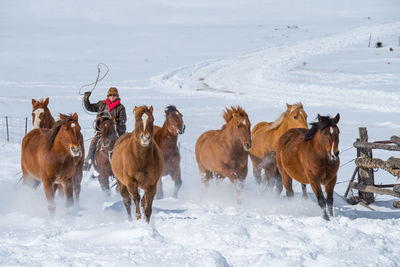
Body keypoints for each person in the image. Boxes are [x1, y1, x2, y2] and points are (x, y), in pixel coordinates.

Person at [83, 87, 127, 170]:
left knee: (124, 144)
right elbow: (90, 108)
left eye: (114, 95)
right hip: (102, 130)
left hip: (116, 130)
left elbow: (123, 119)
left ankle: (127, 163)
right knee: (94, 142)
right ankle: (88, 161)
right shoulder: (102, 104)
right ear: (108, 96)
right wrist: (86, 99)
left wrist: (115, 121)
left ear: (117, 96)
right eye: (110, 95)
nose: (112, 97)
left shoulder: (120, 107)